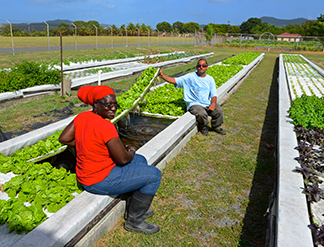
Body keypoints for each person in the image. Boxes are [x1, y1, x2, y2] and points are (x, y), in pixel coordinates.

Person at [58, 85, 161, 234]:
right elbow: (123, 160)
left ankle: (134, 208)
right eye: (108, 105)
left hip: (87, 175)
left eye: (115, 105)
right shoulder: (105, 126)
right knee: (153, 175)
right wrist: (131, 150)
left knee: (140, 160)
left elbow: (64, 139)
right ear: (95, 105)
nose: (113, 109)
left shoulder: (82, 117)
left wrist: (85, 144)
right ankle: (134, 221)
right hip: (99, 180)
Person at [158, 58, 226, 136]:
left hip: (206, 102)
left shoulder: (210, 79)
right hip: (194, 103)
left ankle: (216, 127)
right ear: (196, 67)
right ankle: (203, 127)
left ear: (207, 67)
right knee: (201, 113)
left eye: (204, 65)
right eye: (199, 65)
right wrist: (162, 76)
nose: (201, 67)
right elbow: (175, 80)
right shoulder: (190, 77)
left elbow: (213, 94)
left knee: (219, 110)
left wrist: (213, 104)